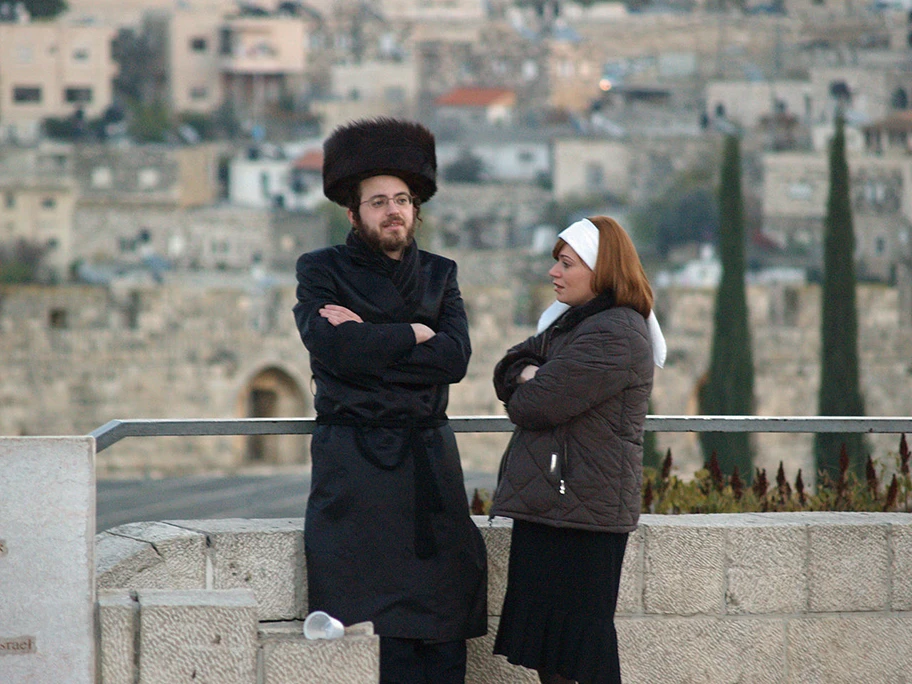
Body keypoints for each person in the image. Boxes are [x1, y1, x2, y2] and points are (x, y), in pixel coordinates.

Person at [292, 117, 487, 684]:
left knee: (442, 624)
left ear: (416, 208)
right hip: (356, 472)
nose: (392, 210)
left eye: (401, 199)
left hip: (428, 467)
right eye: (378, 201)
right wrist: (413, 334)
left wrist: (372, 337)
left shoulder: (441, 274)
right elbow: (333, 349)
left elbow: (455, 359)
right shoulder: (320, 269)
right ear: (353, 213)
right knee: (371, 634)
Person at [489, 216, 665, 684]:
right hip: (558, 507)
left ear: (601, 269)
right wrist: (528, 373)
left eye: (566, 263)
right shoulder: (573, 325)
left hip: (582, 516)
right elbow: (508, 366)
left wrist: (532, 378)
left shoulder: (616, 333)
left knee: (579, 656)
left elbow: (534, 404)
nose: (554, 273)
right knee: (555, 655)